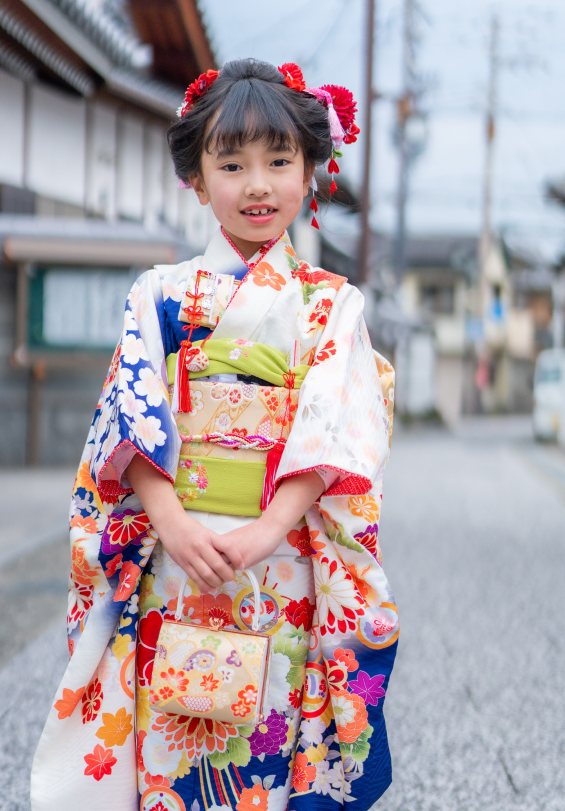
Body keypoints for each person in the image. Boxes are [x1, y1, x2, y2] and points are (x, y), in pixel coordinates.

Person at [31, 58, 398, 811]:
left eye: (279, 161)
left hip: (280, 559)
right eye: (232, 164)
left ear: (309, 174)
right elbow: (127, 424)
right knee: (175, 729)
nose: (257, 184)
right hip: (179, 554)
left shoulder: (332, 305)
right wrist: (169, 520)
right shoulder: (159, 296)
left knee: (270, 734)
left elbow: (335, 430)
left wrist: (270, 527)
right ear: (197, 179)